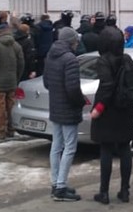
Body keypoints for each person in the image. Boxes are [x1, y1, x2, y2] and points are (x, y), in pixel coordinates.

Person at [90, 27, 133, 205]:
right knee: (125, 149)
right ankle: (125, 190)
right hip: (125, 110)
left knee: (106, 149)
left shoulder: (103, 61)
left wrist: (99, 108)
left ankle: (104, 192)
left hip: (108, 111)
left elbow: (107, 86)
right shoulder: (127, 59)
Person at [44, 27, 86, 201]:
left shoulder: (51, 55)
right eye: (76, 41)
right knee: (69, 147)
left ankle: (56, 183)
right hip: (68, 109)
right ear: (71, 41)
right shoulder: (70, 59)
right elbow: (73, 88)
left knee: (56, 146)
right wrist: (81, 101)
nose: (77, 43)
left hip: (55, 106)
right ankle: (61, 187)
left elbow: (47, 82)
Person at [0, 24, 24, 139]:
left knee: (1, 106)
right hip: (12, 80)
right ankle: (11, 128)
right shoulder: (16, 45)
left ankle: (0, 130)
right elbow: (21, 63)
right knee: (11, 105)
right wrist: (17, 77)